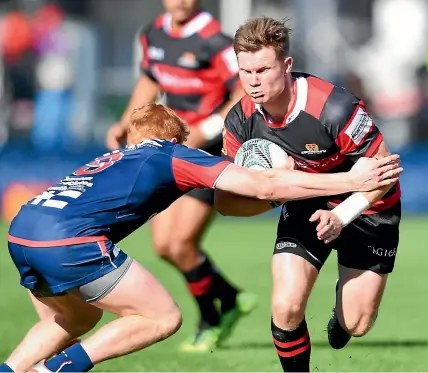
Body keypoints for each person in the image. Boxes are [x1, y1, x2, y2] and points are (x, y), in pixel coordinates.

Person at [0, 103, 401, 373]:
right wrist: (349, 180)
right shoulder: (172, 154)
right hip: (67, 242)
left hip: (21, 231)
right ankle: (53, 370)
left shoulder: (115, 157)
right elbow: (261, 187)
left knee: (76, 318)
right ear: (178, 139)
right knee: (162, 317)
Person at [216, 17, 402, 372]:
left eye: (263, 69)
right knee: (286, 306)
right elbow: (225, 202)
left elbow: (385, 173)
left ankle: (342, 314)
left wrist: (341, 215)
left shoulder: (333, 108)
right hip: (304, 203)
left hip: (367, 207)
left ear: (286, 65)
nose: (253, 81)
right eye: (245, 71)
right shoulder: (239, 121)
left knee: (357, 324)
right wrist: (277, 192)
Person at [105, 0, 247, 352]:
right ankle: (230, 297)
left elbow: (242, 91)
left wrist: (208, 127)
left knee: (181, 243)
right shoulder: (154, 32)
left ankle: (212, 319)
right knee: (164, 246)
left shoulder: (215, 40)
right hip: (168, 148)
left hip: (207, 152)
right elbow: (149, 82)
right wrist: (127, 123)